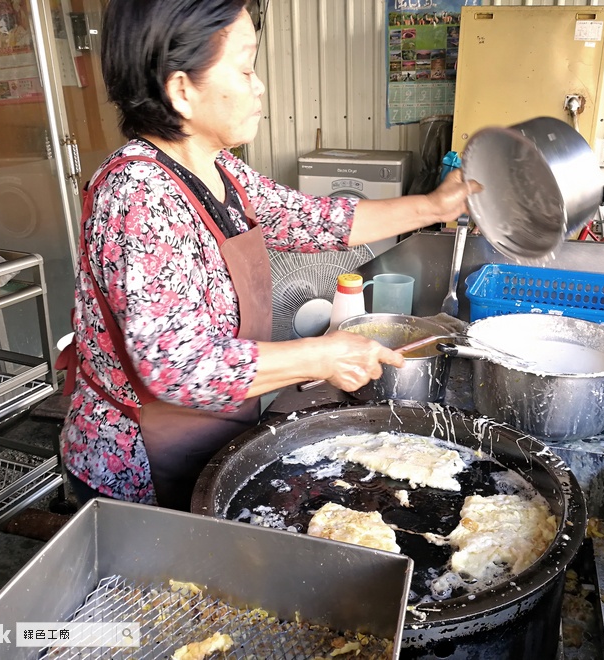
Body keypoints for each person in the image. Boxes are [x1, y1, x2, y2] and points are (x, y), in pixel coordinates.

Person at [58, 0, 479, 511]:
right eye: (245, 67)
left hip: (210, 433)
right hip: (136, 470)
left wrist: (435, 205)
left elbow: (320, 221)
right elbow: (179, 367)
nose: (259, 87)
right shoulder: (140, 195)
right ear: (182, 90)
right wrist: (323, 354)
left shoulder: (220, 170)